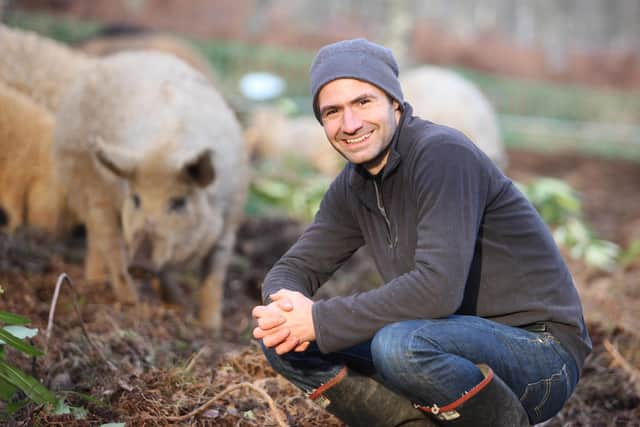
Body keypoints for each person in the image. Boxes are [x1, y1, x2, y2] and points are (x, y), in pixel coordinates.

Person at [251, 38, 591, 427]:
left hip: (539, 352)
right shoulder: (353, 184)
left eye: (363, 102)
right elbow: (296, 265)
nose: (350, 124)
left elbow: (436, 290)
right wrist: (285, 310)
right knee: (283, 342)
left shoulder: (442, 155)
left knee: (401, 345)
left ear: (394, 102)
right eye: (332, 112)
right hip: (444, 341)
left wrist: (321, 320)